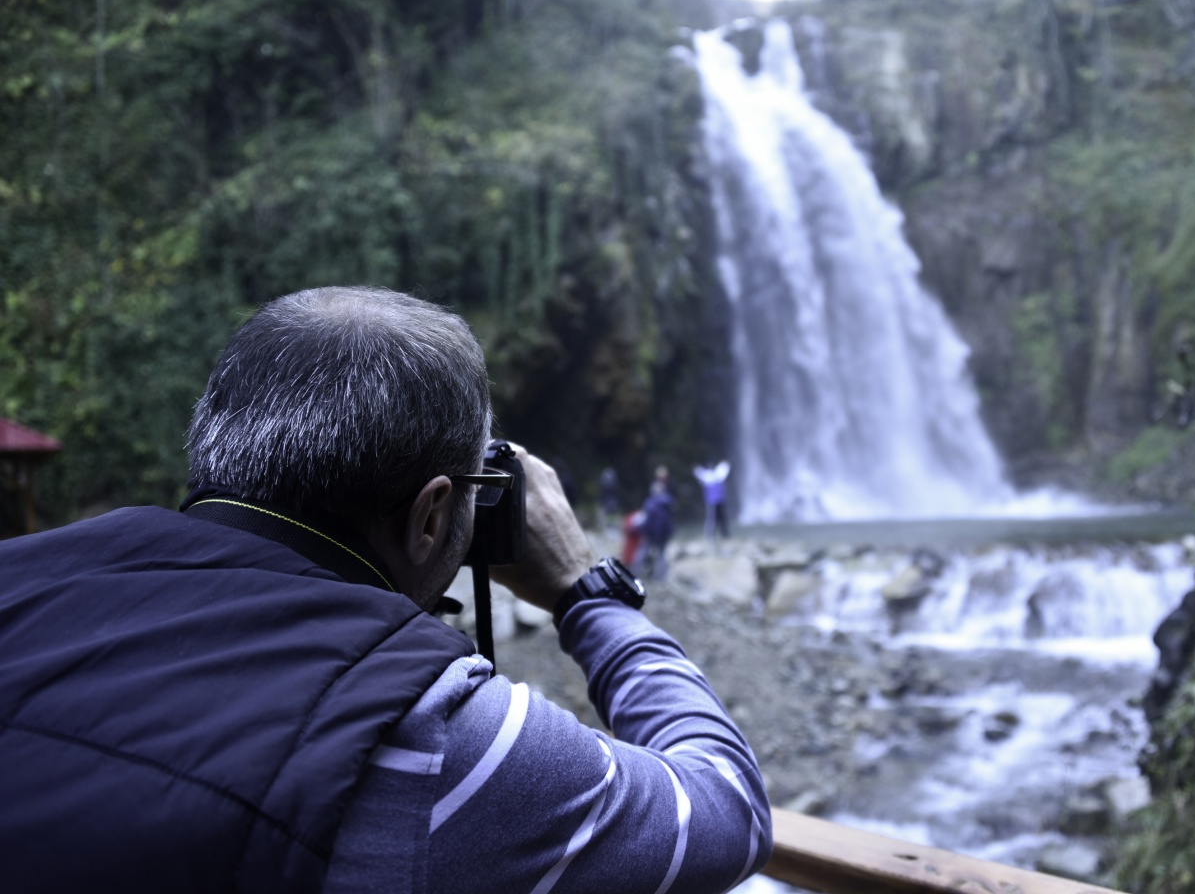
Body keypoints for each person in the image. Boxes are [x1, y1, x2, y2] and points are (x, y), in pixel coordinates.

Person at [0, 287, 771, 893]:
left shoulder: (20, 576)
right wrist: (584, 591)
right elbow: (727, 809)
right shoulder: (439, 737)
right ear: (434, 513)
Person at [635, 469, 674, 582]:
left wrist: (642, 530)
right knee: (661, 554)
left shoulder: (649, 503)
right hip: (664, 533)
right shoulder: (668, 501)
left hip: (651, 533)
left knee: (643, 550)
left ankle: (636, 573)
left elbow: (646, 521)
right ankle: (660, 578)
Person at [692, 460, 731, 541]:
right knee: (713, 519)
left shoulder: (714, 475)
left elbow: (697, 472)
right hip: (712, 502)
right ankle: (711, 535)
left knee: (720, 519)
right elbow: (697, 472)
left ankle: (723, 535)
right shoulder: (710, 476)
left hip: (718, 500)